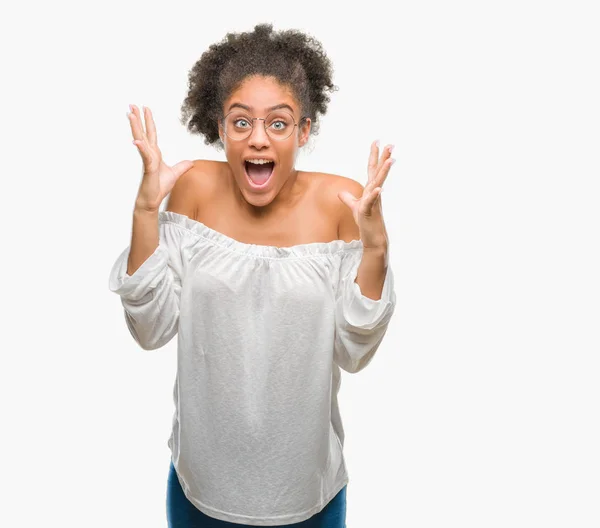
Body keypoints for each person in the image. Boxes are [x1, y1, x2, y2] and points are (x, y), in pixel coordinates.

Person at [108, 23, 396, 528]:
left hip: (308, 496)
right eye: (241, 123)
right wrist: (144, 211)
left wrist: (375, 247)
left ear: (304, 131)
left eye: (278, 124)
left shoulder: (341, 203)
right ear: (221, 129)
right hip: (202, 490)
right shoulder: (193, 187)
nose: (258, 138)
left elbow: (355, 353)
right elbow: (150, 330)